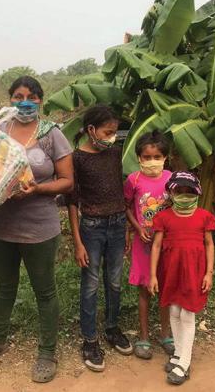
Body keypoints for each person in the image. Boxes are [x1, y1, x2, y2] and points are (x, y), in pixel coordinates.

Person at [0, 76, 74, 383]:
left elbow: (67, 182)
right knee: (5, 287)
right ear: (10, 99)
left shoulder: (52, 134)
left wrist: (37, 189)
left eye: (31, 96)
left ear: (40, 100)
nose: (24, 102)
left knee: (45, 291)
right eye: (18, 96)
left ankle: (47, 352)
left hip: (39, 228)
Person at [66, 105, 133, 372]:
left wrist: (126, 228)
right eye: (107, 132)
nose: (111, 137)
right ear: (91, 130)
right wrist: (77, 242)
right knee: (91, 284)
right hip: (91, 228)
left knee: (114, 282)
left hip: (117, 224)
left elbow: (119, 192)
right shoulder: (77, 158)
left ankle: (112, 328)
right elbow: (72, 201)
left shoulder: (115, 153)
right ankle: (90, 340)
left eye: (114, 132)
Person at [149, 171, 215, 385]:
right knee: (174, 311)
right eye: (179, 190)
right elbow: (156, 246)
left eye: (189, 191)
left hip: (194, 274)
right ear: (171, 192)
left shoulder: (204, 217)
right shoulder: (163, 218)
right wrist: (153, 275)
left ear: (197, 192)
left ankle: (184, 363)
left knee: (187, 314)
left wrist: (209, 273)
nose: (184, 194)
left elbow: (209, 244)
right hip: (171, 273)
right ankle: (178, 353)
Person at [124, 131, 174, 359]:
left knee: (165, 288)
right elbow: (126, 206)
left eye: (157, 157)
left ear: (165, 157)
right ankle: (144, 337)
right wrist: (137, 227)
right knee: (144, 290)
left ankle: (166, 334)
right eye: (147, 157)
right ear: (139, 158)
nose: (152, 161)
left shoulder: (171, 179)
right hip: (143, 244)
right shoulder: (133, 180)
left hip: (167, 244)